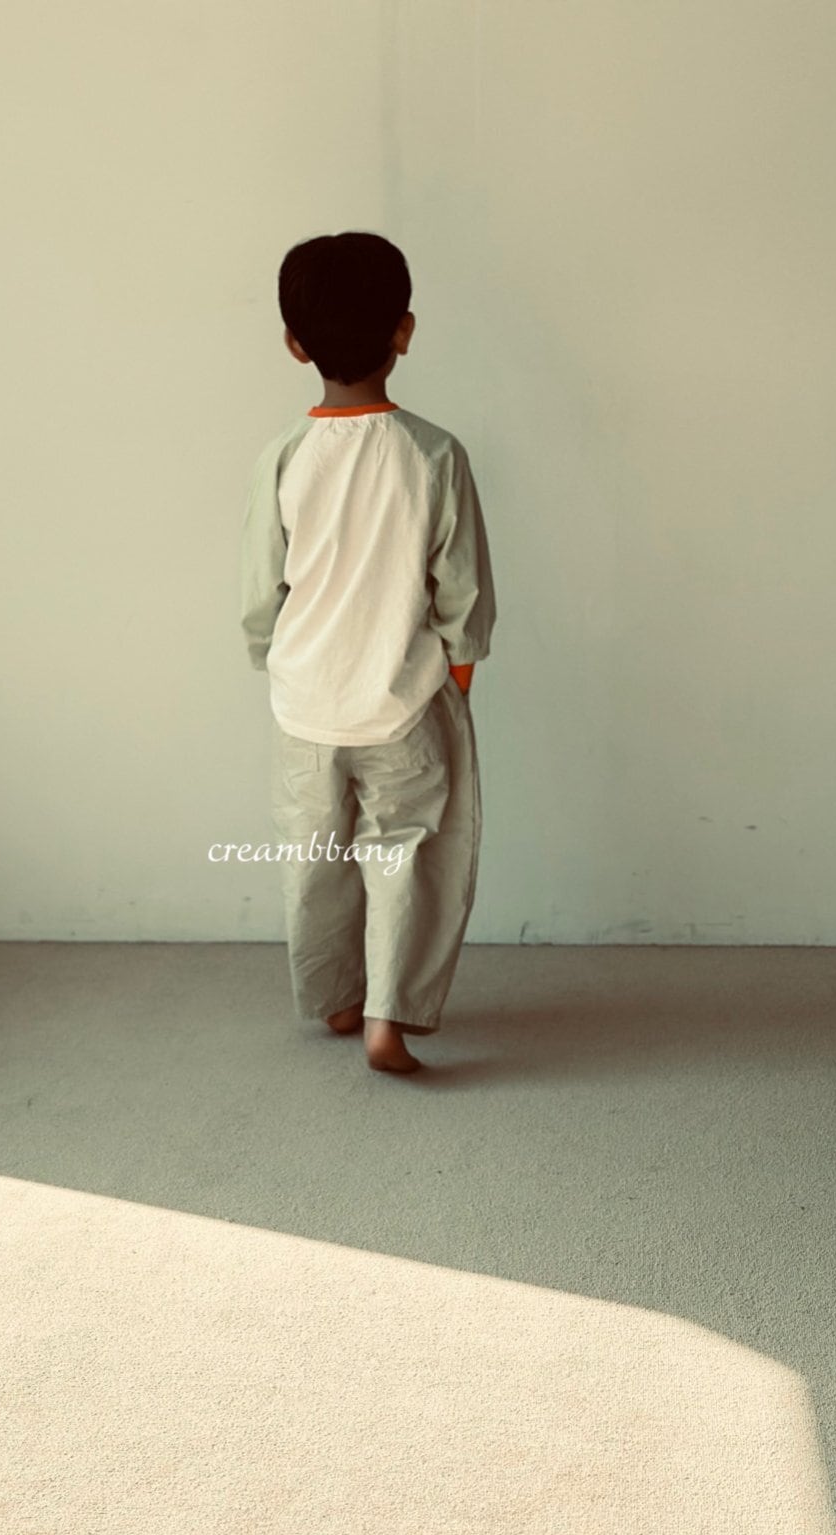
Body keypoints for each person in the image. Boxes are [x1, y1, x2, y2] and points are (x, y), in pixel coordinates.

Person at [239, 231, 496, 1073]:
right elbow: (462, 588)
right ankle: (390, 1018)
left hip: (305, 706)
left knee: (312, 860)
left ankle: (337, 999)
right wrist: (458, 674)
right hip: (406, 702)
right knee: (408, 857)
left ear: (294, 344)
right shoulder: (434, 454)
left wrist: (272, 660)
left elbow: (261, 588)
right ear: (404, 331)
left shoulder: (283, 456)